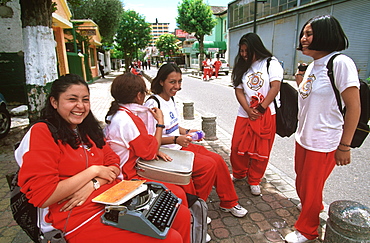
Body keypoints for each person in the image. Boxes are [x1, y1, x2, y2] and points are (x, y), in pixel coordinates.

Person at [15, 74, 190, 243]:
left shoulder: (87, 130)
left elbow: (113, 162)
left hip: (112, 198)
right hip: (76, 216)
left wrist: (94, 183)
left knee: (181, 214)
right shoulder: (42, 133)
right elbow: (43, 196)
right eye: (72, 99)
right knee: (170, 238)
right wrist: (94, 171)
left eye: (85, 99)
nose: (80, 106)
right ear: (54, 102)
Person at [284, 15, 361, 243]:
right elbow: (313, 99)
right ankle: (314, 205)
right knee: (303, 183)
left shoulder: (340, 63)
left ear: (326, 35)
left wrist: (345, 146)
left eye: (309, 34)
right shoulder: (313, 66)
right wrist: (300, 81)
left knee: (310, 185)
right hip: (304, 138)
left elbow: (354, 107)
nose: (303, 38)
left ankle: (307, 230)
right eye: (303, 34)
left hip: (324, 141)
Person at [145, 63, 248, 218]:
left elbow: (172, 126)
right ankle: (195, 209)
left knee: (218, 160)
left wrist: (186, 131)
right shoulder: (153, 104)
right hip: (167, 152)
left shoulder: (170, 99)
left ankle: (229, 202)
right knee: (208, 166)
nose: (177, 86)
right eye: (172, 82)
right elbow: (151, 140)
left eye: (179, 82)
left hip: (179, 145)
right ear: (161, 81)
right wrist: (176, 139)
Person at [230, 33, 283, 196]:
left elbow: (275, 87)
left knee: (261, 150)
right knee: (237, 147)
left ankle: (254, 180)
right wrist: (248, 109)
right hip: (245, 114)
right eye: (242, 51)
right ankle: (239, 173)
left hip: (265, 114)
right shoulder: (242, 65)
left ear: (256, 48)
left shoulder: (270, 63)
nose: (244, 54)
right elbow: (238, 90)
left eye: (247, 51)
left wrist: (260, 108)